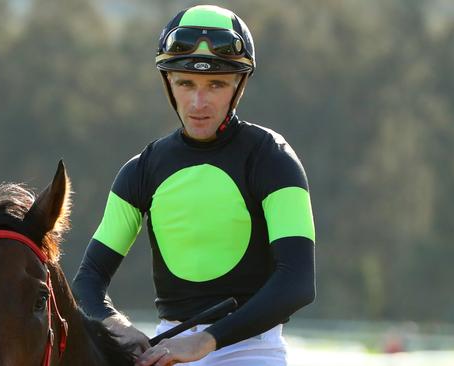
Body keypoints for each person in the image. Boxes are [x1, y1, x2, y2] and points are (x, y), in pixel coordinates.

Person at [72, 5, 316, 366]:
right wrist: (116, 325)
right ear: (169, 84)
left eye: (215, 84)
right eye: (186, 83)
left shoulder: (273, 158)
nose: (198, 102)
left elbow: (297, 282)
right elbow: (88, 280)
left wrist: (205, 341)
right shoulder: (140, 171)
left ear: (239, 86)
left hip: (252, 351)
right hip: (166, 352)